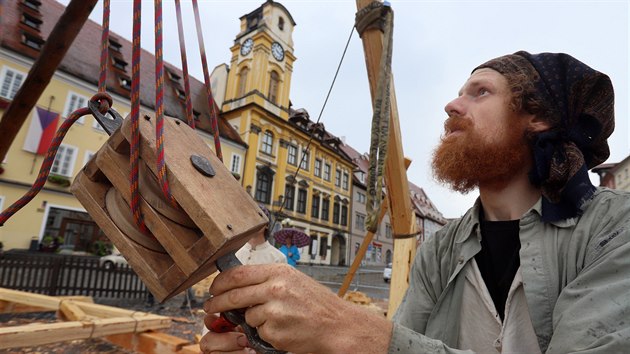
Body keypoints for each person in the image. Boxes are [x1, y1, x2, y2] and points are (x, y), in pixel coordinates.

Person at [199, 51, 630, 354]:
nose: (451, 104)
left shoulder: (613, 230)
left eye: (480, 92)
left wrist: (347, 329)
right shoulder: (440, 251)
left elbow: (383, 345)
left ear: (538, 117)